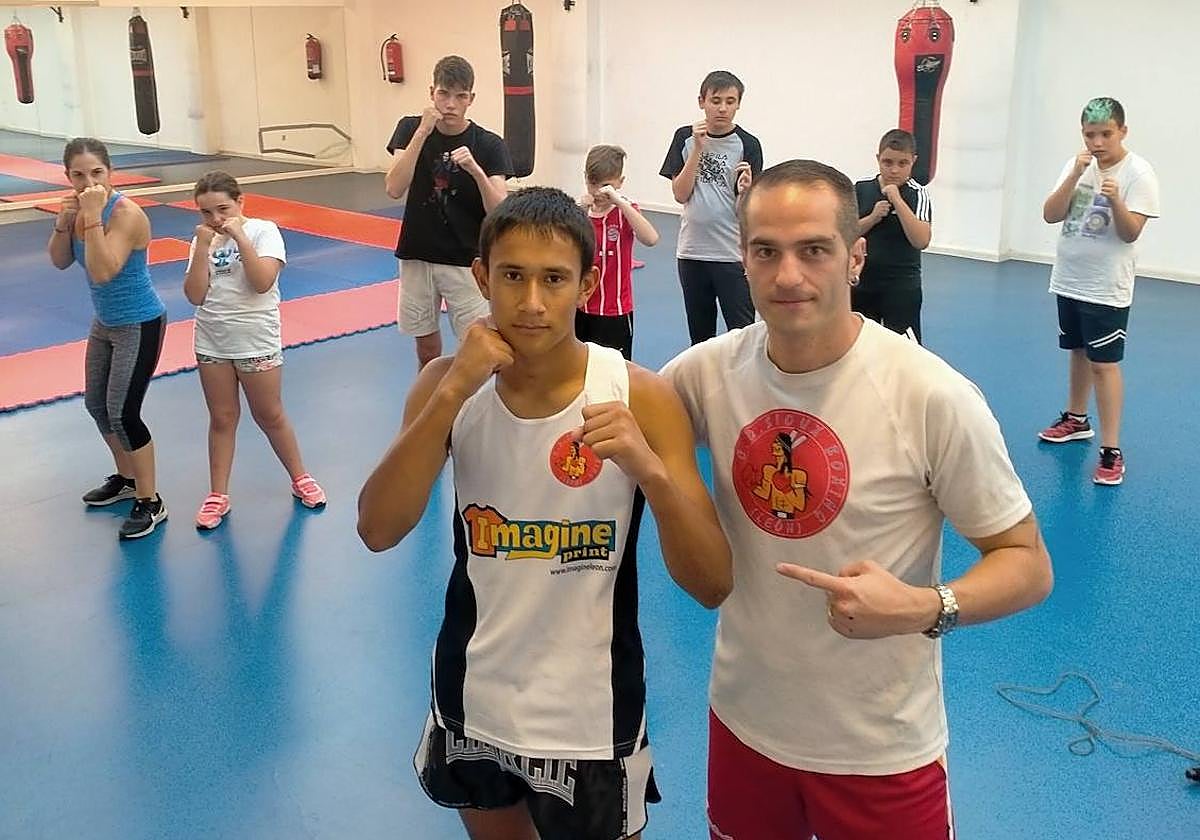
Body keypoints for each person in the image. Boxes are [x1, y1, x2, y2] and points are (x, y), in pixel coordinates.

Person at [660, 160, 1054, 840]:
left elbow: (1027, 563)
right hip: (744, 723)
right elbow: (594, 405)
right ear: (742, 259)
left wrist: (926, 606)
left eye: (814, 250)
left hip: (879, 749)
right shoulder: (704, 375)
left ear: (855, 258)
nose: (789, 276)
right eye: (766, 252)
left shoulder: (931, 396)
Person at [357, 187, 732, 840]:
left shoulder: (638, 395)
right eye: (513, 276)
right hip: (475, 696)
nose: (532, 302)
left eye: (554, 279)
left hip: (590, 712)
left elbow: (712, 583)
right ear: (482, 279)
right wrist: (452, 389)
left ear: (588, 284)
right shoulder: (446, 385)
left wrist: (651, 474)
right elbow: (377, 529)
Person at [182, 171, 326, 530]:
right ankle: (218, 494)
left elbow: (262, 282)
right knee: (222, 418)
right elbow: (195, 295)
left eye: (223, 209)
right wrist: (202, 247)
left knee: (270, 414)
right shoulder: (202, 240)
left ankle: (300, 477)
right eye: (206, 213)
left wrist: (240, 237)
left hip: (255, 338)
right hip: (212, 339)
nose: (216, 219)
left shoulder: (264, 231)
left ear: (240, 202)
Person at [47, 137, 169, 540]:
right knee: (97, 405)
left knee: (124, 413)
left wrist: (92, 216)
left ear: (111, 172)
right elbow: (60, 260)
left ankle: (151, 501)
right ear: (68, 176)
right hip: (105, 322)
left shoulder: (126, 214)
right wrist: (64, 221)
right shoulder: (79, 209)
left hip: (139, 321)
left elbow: (102, 271)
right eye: (79, 175)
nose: (89, 183)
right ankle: (128, 478)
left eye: (97, 173)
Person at [1037, 97, 1159, 486]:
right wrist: (1074, 175)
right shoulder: (1076, 166)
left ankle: (1111, 449)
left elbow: (1130, 232)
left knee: (1104, 365)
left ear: (1123, 131)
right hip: (1069, 278)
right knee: (1077, 350)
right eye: (1090, 135)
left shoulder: (1139, 173)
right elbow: (1051, 214)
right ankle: (1076, 419)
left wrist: (1116, 200)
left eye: (1106, 134)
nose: (1098, 142)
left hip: (1106, 287)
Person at [385, 54, 515, 370]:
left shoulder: (489, 144)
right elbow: (394, 187)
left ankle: (477, 401)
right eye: (444, 94)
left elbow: (499, 210)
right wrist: (422, 132)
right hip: (417, 253)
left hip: (466, 260)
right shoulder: (410, 128)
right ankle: (429, 397)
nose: (450, 104)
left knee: (478, 344)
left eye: (460, 96)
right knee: (426, 346)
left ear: (471, 99)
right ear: (432, 92)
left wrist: (476, 171)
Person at [660, 70, 763, 345]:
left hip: (731, 254)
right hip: (692, 252)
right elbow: (680, 194)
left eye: (730, 101)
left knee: (742, 334)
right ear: (701, 101)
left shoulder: (748, 144)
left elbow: (746, 213)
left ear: (738, 104)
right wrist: (698, 148)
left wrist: (746, 192)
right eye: (716, 101)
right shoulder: (684, 137)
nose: (722, 108)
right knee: (700, 336)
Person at [577, 144, 660, 359]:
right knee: (580, 364)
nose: (598, 192)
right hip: (580, 307)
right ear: (585, 178)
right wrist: (580, 210)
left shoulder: (625, 212)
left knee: (616, 367)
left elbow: (651, 239)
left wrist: (620, 203)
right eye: (593, 184)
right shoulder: (580, 213)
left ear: (620, 183)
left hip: (615, 310)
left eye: (606, 186)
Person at [853, 129, 933, 343]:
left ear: (913, 161)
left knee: (904, 348)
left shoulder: (917, 194)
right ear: (878, 159)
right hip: (862, 283)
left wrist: (897, 199)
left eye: (902, 163)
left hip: (901, 286)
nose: (894, 170)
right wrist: (872, 218)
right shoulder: (861, 189)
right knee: (861, 344)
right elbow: (844, 233)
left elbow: (921, 240)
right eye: (887, 162)